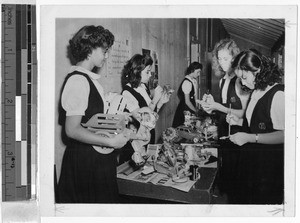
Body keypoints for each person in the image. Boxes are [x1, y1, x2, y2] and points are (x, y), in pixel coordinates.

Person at [57, 25, 129, 203]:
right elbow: (72, 130)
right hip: (85, 162)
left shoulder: (88, 79)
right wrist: (110, 141)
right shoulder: (77, 81)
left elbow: (91, 120)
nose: (107, 55)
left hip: (96, 158)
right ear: (89, 50)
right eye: (104, 51)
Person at [227, 49, 284, 204]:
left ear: (258, 71)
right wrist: (237, 122)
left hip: (268, 166)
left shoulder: (278, 94)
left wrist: (250, 137)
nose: (243, 83)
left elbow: (286, 135)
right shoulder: (257, 90)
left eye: (244, 78)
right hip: (253, 162)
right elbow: (259, 124)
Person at [201, 39, 249, 203]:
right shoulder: (223, 80)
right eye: (219, 59)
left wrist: (217, 107)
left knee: (236, 179)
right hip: (224, 130)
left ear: (235, 58)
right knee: (226, 174)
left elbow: (244, 113)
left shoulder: (240, 81)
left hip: (238, 132)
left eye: (226, 59)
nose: (222, 63)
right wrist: (210, 106)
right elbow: (223, 106)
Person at [119, 54, 169, 164]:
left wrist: (160, 102)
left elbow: (152, 116)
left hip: (146, 135)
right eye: (147, 71)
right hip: (135, 142)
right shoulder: (127, 92)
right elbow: (143, 119)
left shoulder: (142, 87)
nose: (150, 74)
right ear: (137, 72)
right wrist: (155, 100)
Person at [172, 62, 202, 128]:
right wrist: (196, 111)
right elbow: (187, 102)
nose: (199, 74)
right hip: (185, 110)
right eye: (198, 72)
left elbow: (193, 98)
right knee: (185, 130)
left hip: (190, 108)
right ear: (192, 70)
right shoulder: (187, 83)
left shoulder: (193, 81)